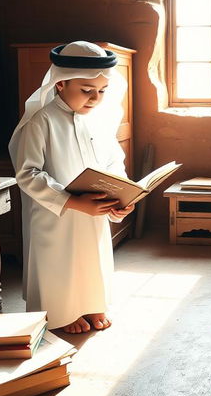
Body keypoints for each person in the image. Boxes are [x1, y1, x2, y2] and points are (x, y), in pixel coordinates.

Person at [8, 41, 134, 334]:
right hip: (56, 213)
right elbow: (27, 174)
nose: (95, 99)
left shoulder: (98, 120)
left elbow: (114, 161)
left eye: (102, 91)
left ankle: (91, 304)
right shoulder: (41, 121)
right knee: (58, 261)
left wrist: (121, 197)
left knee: (92, 255)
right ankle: (61, 312)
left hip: (95, 209)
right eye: (87, 90)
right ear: (61, 84)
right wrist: (72, 201)